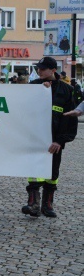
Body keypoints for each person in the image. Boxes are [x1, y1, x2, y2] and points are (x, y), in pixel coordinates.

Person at [23, 57, 78, 218]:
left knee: (52, 174)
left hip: (55, 141)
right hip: (34, 138)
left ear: (53, 70)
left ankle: (47, 205)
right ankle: (33, 204)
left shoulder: (66, 90)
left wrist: (60, 141)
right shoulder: (33, 86)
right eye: (38, 68)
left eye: (43, 68)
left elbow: (70, 118)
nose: (39, 71)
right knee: (34, 172)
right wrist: (40, 91)